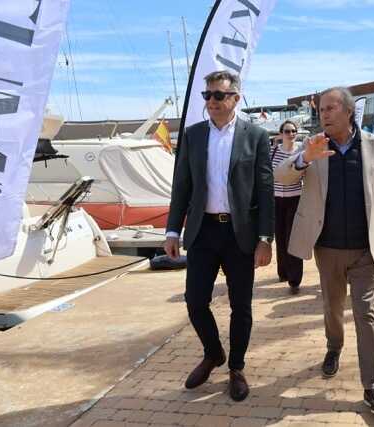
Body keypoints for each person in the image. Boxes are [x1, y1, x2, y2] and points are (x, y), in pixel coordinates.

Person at [275, 87, 374, 415]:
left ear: (349, 112)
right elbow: (281, 175)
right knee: (333, 307)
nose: (324, 114)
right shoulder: (314, 146)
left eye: (331, 108)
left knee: (366, 313)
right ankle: (334, 347)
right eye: (321, 109)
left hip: (366, 250)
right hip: (328, 248)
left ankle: (372, 384)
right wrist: (306, 158)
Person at [164, 70, 274, 402]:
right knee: (195, 301)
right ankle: (213, 353)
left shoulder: (256, 136)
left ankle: (236, 368)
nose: (211, 101)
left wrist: (266, 238)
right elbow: (182, 185)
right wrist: (172, 230)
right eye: (207, 95)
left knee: (241, 306)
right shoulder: (193, 135)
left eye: (218, 95)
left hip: (241, 234)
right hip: (203, 231)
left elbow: (265, 190)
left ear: (235, 98)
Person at [271, 119, 304, 293]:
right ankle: (283, 272)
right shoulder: (273, 152)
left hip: (295, 198)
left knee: (293, 238)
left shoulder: (301, 152)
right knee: (280, 236)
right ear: (281, 134)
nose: (290, 134)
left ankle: (295, 279)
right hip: (276, 199)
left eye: (293, 131)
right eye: (287, 131)